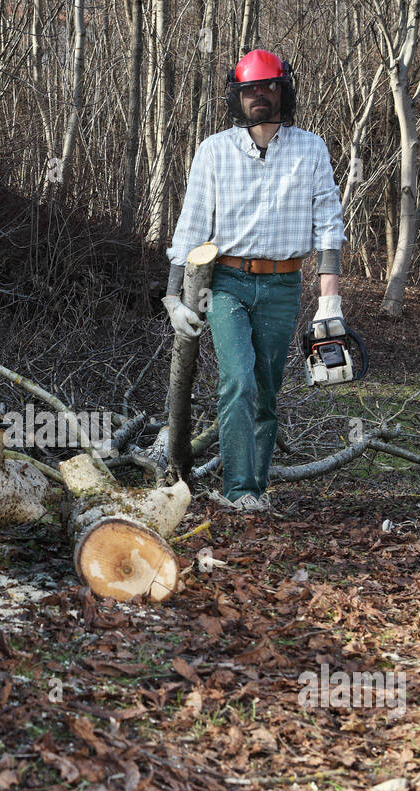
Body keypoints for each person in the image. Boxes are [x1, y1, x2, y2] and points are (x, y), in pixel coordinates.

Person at [163, 49, 345, 512]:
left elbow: (328, 222)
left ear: (284, 90)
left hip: (283, 285)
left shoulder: (311, 148)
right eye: (249, 90)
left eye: (267, 87)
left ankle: (256, 490)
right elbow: (191, 224)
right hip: (225, 282)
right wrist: (173, 295)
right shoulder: (214, 151)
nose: (259, 97)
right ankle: (238, 490)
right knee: (238, 379)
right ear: (237, 97)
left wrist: (329, 301)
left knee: (266, 388)